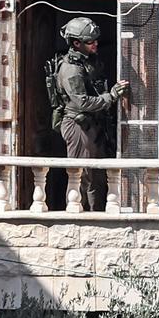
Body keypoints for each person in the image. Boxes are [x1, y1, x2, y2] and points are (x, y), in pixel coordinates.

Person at [55, 17, 129, 211]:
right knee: (84, 174)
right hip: (79, 124)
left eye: (96, 40)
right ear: (76, 43)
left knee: (97, 175)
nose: (95, 44)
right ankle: (83, 214)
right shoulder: (71, 69)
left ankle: (96, 210)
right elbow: (83, 102)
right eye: (90, 41)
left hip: (93, 124)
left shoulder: (89, 62)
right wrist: (111, 96)